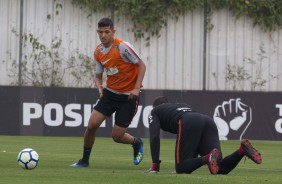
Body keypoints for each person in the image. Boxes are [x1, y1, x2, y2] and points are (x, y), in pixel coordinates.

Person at [70, 17, 146, 167]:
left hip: (128, 97)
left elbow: (142, 66)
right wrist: (99, 86)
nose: (103, 35)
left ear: (113, 32)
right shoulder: (98, 51)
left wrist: (136, 88)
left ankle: (137, 142)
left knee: (117, 136)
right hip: (110, 94)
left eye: (106, 32)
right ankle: (84, 161)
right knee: (92, 125)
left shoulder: (123, 47)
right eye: (100, 32)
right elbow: (99, 76)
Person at [146, 96, 262, 174]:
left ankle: (208, 157)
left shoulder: (155, 111)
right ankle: (242, 150)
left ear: (155, 107)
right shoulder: (180, 105)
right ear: (168, 104)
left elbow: (155, 136)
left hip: (189, 121)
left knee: (181, 168)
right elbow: (193, 139)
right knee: (219, 167)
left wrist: (155, 165)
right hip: (207, 120)